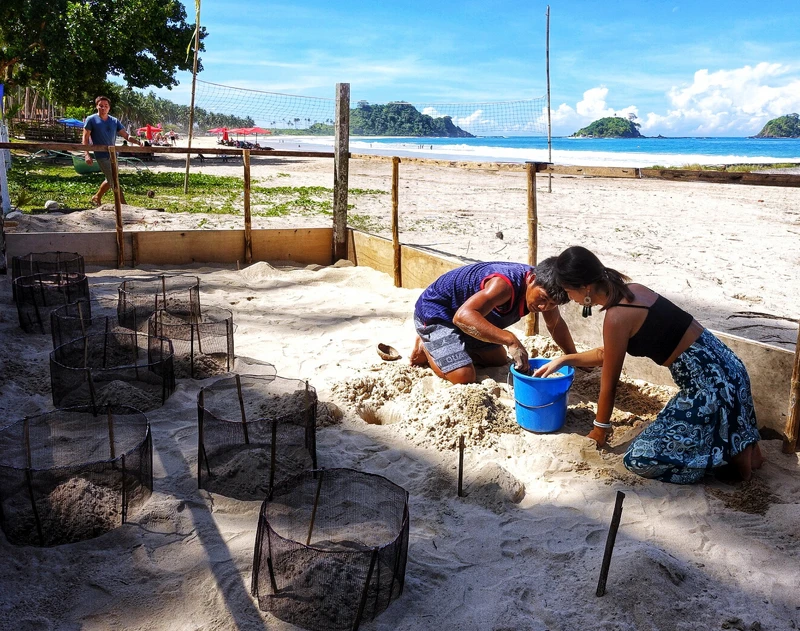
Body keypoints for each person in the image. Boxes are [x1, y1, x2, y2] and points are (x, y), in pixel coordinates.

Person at [533, 246, 763, 484]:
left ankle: (724, 461)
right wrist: (565, 358)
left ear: (585, 288)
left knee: (639, 459)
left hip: (708, 388)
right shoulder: (633, 290)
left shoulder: (617, 316)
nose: (570, 298)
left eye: (569, 292)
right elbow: (607, 353)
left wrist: (600, 429)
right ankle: (741, 449)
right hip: (731, 370)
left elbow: (609, 384)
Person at [410, 259, 580, 384]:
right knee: (464, 377)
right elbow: (461, 316)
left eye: (552, 304)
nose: (544, 307)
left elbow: (555, 324)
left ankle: (454, 344)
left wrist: (574, 357)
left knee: (498, 359)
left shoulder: (546, 291)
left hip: (469, 320)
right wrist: (510, 340)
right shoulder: (504, 285)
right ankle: (426, 347)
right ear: (531, 279)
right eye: (542, 298)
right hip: (438, 313)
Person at [82, 96, 141, 206]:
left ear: (109, 108)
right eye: (101, 106)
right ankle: (123, 204)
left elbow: (125, 135)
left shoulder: (114, 121)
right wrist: (87, 154)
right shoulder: (91, 119)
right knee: (114, 180)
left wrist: (137, 142)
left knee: (111, 179)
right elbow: (85, 138)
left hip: (113, 155)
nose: (103, 108)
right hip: (101, 155)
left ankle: (97, 196)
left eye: (106, 106)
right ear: (96, 106)